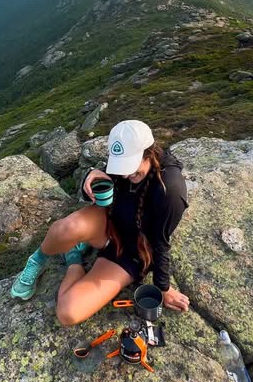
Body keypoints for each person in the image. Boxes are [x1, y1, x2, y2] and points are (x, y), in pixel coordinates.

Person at [11, 119, 190, 324]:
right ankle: (37, 260)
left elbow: (161, 241)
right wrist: (91, 177)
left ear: (148, 152)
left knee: (68, 312)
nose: (123, 173)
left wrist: (163, 287)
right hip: (109, 226)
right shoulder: (125, 167)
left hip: (131, 253)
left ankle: (73, 257)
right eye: (120, 165)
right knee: (67, 228)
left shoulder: (169, 189)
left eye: (129, 166)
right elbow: (97, 195)